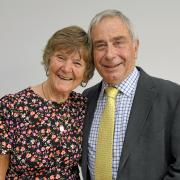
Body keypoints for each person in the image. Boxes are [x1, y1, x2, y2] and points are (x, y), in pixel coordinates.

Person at [82, 9, 180, 180]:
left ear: (135, 46)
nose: (110, 54)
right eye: (100, 45)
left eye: (118, 42)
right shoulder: (86, 98)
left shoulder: (172, 96)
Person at [0, 25, 94, 179]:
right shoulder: (11, 107)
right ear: (48, 59)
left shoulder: (82, 106)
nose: (66, 68)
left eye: (77, 63)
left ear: (86, 72)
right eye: (61, 57)